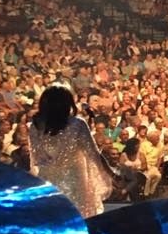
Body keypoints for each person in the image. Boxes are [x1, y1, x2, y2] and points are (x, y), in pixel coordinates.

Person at [29, 84, 115, 217]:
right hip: (75, 179)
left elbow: (37, 158)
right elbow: (93, 154)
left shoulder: (35, 126)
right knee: (77, 216)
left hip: (48, 180)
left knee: (54, 218)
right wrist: (112, 173)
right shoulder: (77, 124)